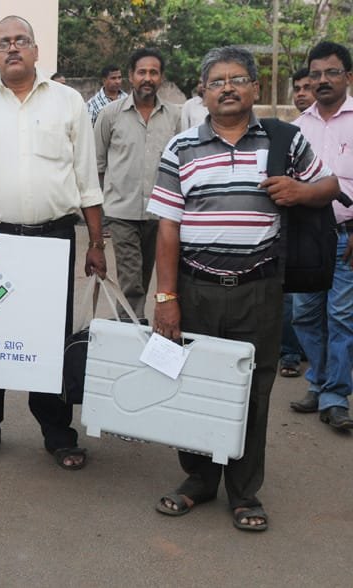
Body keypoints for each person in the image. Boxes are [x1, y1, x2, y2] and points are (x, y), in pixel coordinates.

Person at [148, 46, 337, 532]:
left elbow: (330, 186)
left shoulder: (285, 140)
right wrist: (166, 298)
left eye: (237, 79)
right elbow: (168, 227)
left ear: (255, 87)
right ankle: (198, 480)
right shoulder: (182, 148)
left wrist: (301, 192)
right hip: (195, 288)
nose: (227, 87)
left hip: (259, 289)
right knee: (190, 383)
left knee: (254, 388)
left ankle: (244, 490)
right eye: (216, 81)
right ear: (203, 92)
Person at [0, 15, 106, 469]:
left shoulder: (68, 102)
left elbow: (86, 178)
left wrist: (96, 243)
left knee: (49, 338)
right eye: (3, 43)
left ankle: (57, 432)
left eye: (21, 41)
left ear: (37, 51)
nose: (12, 48)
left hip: (54, 239)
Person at [289, 41, 353, 429]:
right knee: (305, 314)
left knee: (342, 316)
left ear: (348, 76)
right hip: (307, 237)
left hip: (347, 235)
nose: (323, 80)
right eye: (316, 74)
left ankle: (334, 395)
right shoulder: (298, 128)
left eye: (332, 72)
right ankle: (319, 382)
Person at [94, 47, 181, 320]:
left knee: (145, 275)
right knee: (131, 280)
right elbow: (97, 165)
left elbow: (181, 165)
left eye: (153, 72)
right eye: (142, 72)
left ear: (161, 78)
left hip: (160, 214)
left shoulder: (174, 117)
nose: (147, 78)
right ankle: (131, 330)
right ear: (131, 76)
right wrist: (98, 217)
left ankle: (134, 325)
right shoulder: (110, 115)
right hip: (122, 212)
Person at [279, 67, 313, 379]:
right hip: (294, 224)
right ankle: (289, 352)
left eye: (307, 87)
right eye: (297, 88)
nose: (301, 93)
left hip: (332, 227)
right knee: (290, 296)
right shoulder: (292, 131)